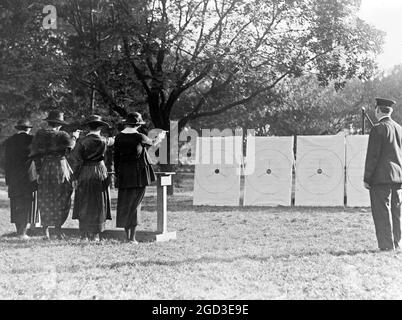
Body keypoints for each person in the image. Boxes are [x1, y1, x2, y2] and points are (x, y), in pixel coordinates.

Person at [113, 112, 166, 243]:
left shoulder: (119, 137)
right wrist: (160, 137)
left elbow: (116, 157)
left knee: (124, 204)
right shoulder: (140, 137)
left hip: (123, 174)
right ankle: (132, 238)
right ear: (137, 125)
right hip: (138, 175)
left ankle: (126, 237)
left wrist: (117, 173)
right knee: (135, 205)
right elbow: (153, 144)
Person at [30, 111, 80, 240]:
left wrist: (40, 170)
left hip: (46, 167)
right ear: (59, 124)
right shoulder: (63, 135)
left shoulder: (40, 134)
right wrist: (74, 137)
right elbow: (70, 148)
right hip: (60, 167)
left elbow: (35, 154)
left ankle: (45, 231)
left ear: (49, 122)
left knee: (45, 197)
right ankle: (57, 230)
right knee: (62, 197)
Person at [364, 98, 402, 251]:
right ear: (390, 111)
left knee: (381, 212)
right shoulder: (399, 128)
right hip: (398, 177)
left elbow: (372, 156)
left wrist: (367, 178)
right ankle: (397, 243)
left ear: (378, 110)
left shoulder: (378, 128)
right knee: (396, 211)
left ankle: (386, 246)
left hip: (381, 178)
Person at [69, 115, 114, 241]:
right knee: (99, 202)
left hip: (85, 172)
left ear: (88, 127)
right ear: (100, 127)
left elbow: (75, 159)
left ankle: (84, 234)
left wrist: (74, 177)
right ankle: (96, 235)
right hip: (100, 171)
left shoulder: (81, 141)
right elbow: (113, 141)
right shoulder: (104, 140)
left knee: (84, 201)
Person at [4, 119, 39, 239]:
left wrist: (7, 176)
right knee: (27, 203)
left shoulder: (8, 141)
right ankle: (23, 232)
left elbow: (3, 160)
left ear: (17, 128)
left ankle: (19, 230)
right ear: (28, 129)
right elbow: (38, 157)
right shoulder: (33, 140)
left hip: (13, 178)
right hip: (29, 177)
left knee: (16, 203)